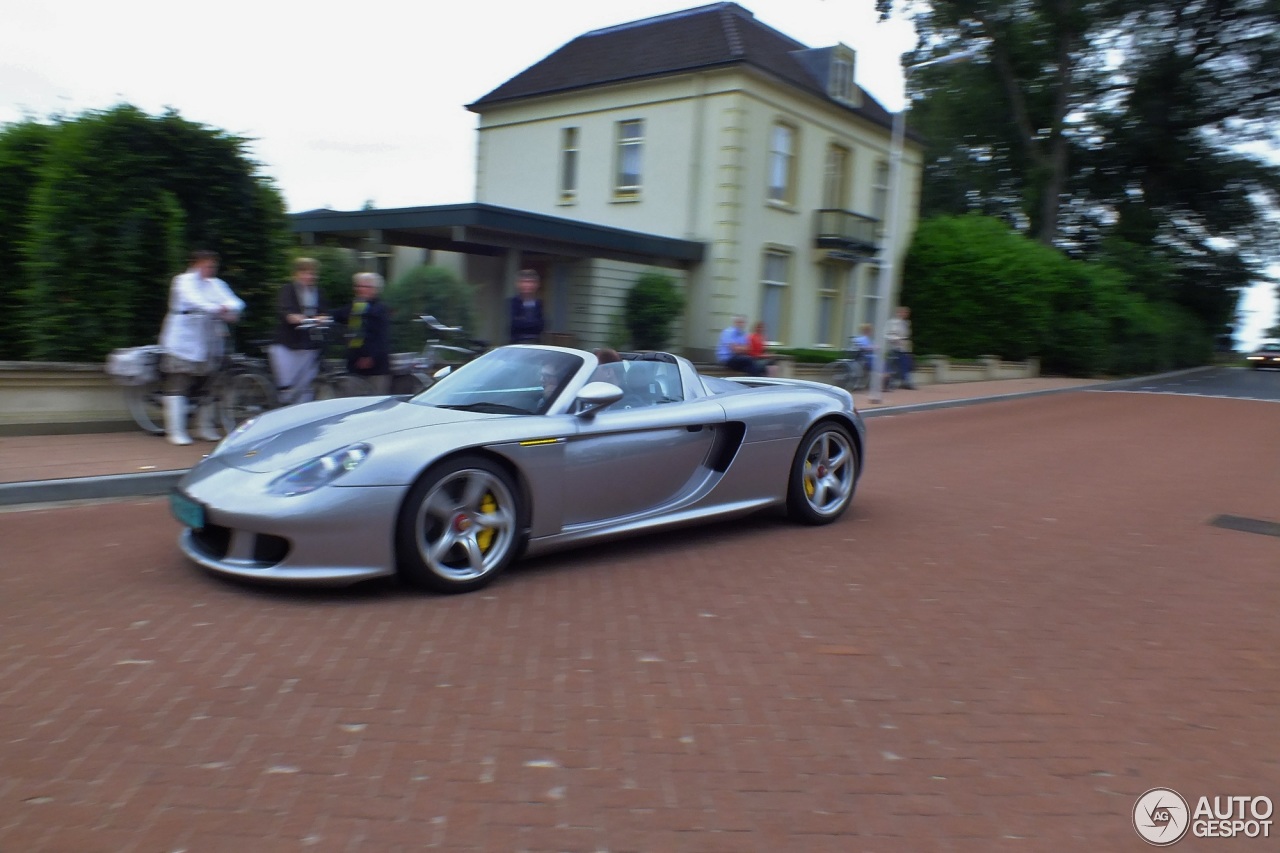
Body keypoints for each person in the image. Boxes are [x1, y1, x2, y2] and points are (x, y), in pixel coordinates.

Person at [157, 250, 244, 445]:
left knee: (211, 383)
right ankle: (175, 430)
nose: (211, 269)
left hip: (209, 338)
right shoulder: (183, 280)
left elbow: (234, 301)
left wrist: (231, 308)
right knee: (179, 382)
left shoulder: (216, 284)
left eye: (213, 266)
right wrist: (218, 308)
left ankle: (203, 426)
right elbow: (193, 299)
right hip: (183, 338)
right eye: (207, 265)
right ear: (196, 264)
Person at [269, 257, 330, 404]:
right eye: (305, 273)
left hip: (309, 344)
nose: (309, 277)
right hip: (288, 344)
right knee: (288, 386)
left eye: (312, 273)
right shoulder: (288, 290)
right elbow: (286, 311)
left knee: (306, 387)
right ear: (296, 274)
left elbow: (323, 312)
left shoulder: (318, 292)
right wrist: (294, 317)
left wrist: (322, 318)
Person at [332, 272, 392, 394]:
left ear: (375, 289)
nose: (360, 289)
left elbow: (380, 336)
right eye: (358, 286)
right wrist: (321, 317)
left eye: (365, 287)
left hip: (375, 366)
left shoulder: (379, 309)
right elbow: (337, 314)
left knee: (375, 401)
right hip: (354, 363)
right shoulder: (356, 306)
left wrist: (370, 357)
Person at [509, 268, 544, 344]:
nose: (527, 285)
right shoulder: (513, 303)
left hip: (535, 344)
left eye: (530, 282)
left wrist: (524, 321)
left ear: (536, 285)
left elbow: (541, 326)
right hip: (516, 344)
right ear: (518, 284)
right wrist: (531, 323)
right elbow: (514, 326)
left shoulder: (539, 304)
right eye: (524, 282)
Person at [885, 306, 915, 389]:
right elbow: (887, 335)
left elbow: (906, 336)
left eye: (906, 313)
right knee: (893, 365)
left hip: (904, 348)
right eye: (904, 312)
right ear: (898, 313)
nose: (905, 314)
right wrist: (896, 339)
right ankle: (891, 382)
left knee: (906, 365)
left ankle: (906, 381)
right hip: (895, 347)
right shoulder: (892, 323)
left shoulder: (906, 323)